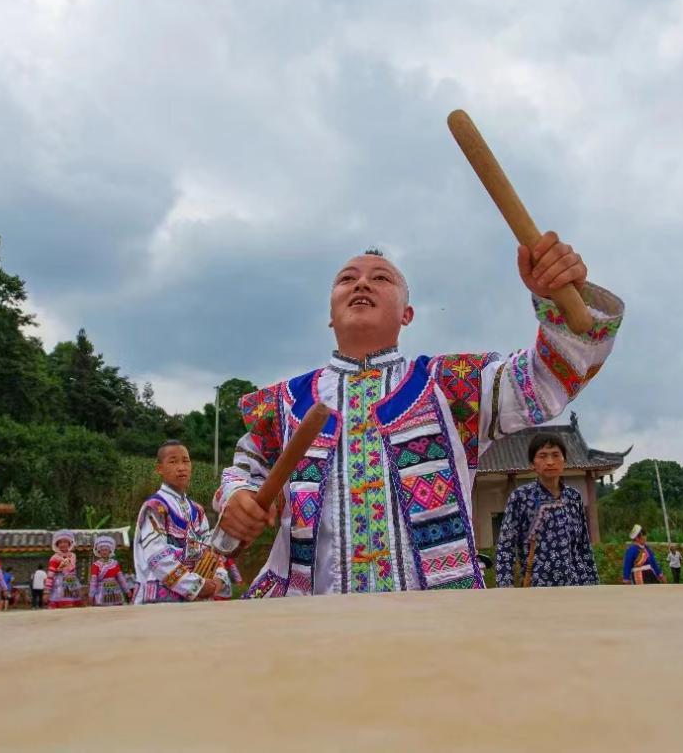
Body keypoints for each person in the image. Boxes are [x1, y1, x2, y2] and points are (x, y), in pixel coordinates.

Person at [215, 240, 623, 597]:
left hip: (436, 621)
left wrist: (562, 297)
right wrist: (236, 498)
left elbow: (546, 379)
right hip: (312, 621)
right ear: (330, 314)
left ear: (407, 314)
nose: (361, 284)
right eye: (347, 279)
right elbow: (246, 470)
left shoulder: (452, 386)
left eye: (380, 279)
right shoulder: (285, 403)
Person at [494, 433, 599, 588]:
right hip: (538, 587)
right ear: (532, 464)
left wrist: (594, 584)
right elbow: (505, 546)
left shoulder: (573, 497)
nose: (550, 462)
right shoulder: (520, 497)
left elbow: (584, 546)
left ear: (565, 461)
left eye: (556, 455)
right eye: (542, 456)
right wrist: (505, 588)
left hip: (576, 585)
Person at [134, 440, 223, 603]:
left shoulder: (198, 510)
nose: (181, 467)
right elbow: (157, 557)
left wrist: (218, 578)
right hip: (160, 601)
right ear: (159, 468)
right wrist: (196, 586)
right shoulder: (155, 507)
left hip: (196, 600)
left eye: (185, 461)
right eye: (173, 462)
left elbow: (211, 550)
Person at [89, 535, 133, 606]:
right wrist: (91, 595)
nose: (104, 552)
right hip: (101, 593)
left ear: (109, 551)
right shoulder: (95, 565)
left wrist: (127, 590)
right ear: (99, 552)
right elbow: (93, 581)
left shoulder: (115, 563)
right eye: (102, 550)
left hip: (115, 592)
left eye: (106, 550)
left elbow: (121, 578)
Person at [45, 530, 84, 609]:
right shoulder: (54, 558)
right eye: (60, 542)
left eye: (65, 542)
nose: (63, 544)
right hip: (59, 585)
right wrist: (46, 591)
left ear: (69, 543)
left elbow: (73, 570)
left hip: (73, 584)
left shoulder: (73, 556)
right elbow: (50, 575)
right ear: (57, 544)